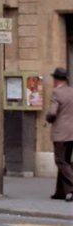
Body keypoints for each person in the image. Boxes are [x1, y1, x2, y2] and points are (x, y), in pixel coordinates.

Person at [45, 66, 73, 202]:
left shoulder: (56, 93)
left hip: (61, 133)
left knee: (60, 161)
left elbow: (52, 112)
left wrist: (48, 119)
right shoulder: (72, 91)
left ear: (56, 80)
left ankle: (71, 187)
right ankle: (61, 192)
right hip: (72, 133)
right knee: (66, 160)